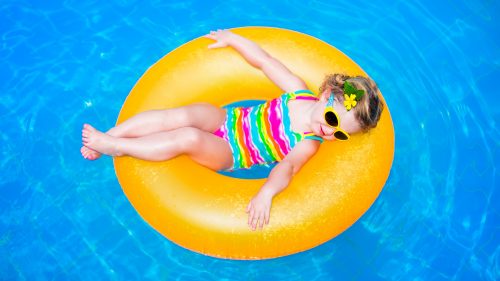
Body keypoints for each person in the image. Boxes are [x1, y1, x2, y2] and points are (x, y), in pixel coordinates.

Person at [80, 29, 383, 231]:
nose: (330, 132)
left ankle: (118, 148)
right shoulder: (298, 91)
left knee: (188, 137)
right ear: (326, 93)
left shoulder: (309, 142)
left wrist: (266, 192)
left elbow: (287, 168)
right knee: (183, 113)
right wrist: (234, 40)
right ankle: (113, 134)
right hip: (228, 120)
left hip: (231, 152)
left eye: (340, 134)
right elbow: (266, 62)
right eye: (332, 120)